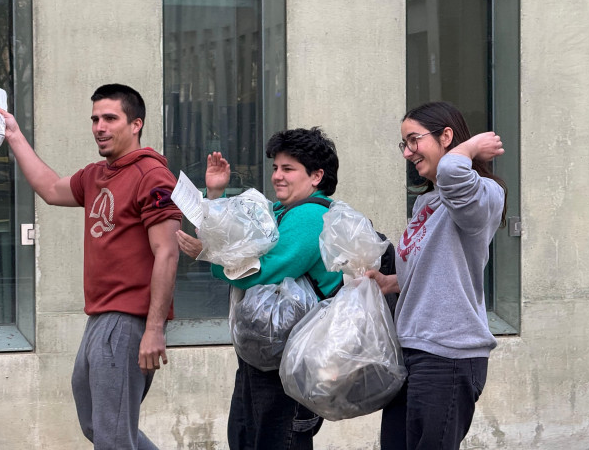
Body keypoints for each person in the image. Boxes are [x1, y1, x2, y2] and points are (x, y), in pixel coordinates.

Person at [0, 84, 182, 449]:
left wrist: (154, 329)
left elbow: (168, 253)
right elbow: (51, 188)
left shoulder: (152, 176)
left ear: (135, 125)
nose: (100, 126)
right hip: (99, 317)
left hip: (128, 321)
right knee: (97, 425)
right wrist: (14, 136)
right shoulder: (97, 175)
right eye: (95, 118)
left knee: (113, 437)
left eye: (111, 118)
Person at [176, 127, 342, 450]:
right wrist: (216, 195)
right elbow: (234, 235)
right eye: (275, 168)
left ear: (316, 176)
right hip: (264, 360)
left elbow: (262, 273)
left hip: (288, 368)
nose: (278, 176)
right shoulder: (280, 210)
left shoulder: (311, 217)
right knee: (245, 438)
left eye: (288, 169)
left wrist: (207, 254)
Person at [367, 101, 507, 450]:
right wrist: (390, 283)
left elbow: (453, 174)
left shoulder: (482, 194)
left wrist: (472, 146)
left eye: (414, 140)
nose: (408, 153)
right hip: (413, 347)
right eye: (404, 144)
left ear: (446, 136)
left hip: (449, 354)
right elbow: (436, 267)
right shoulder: (426, 203)